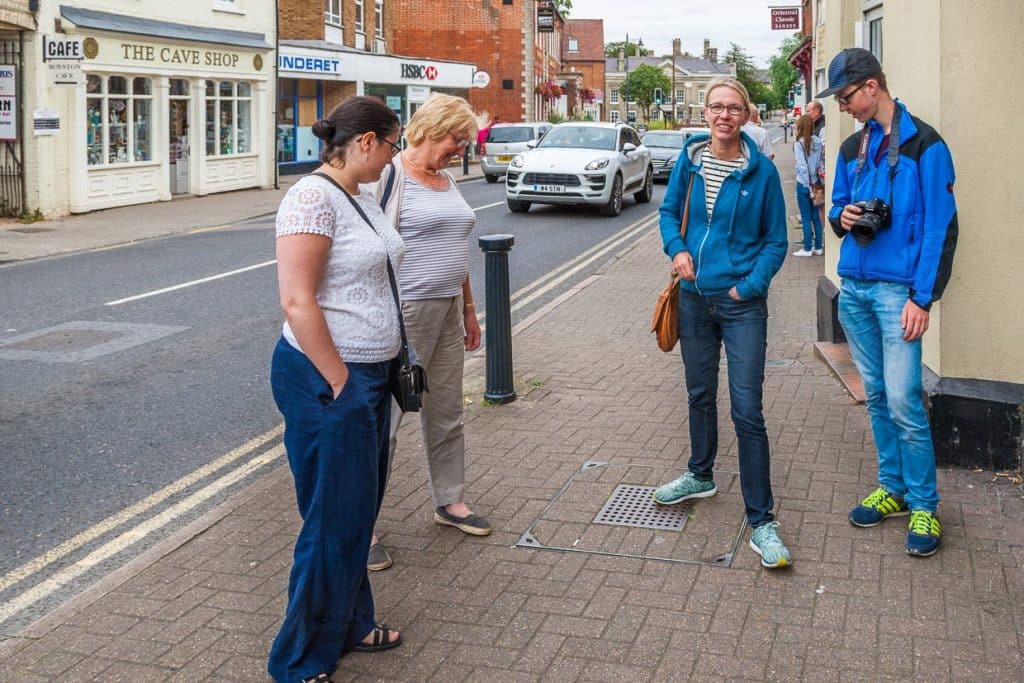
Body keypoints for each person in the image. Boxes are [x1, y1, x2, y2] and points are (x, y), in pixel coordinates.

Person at [267, 96, 406, 683]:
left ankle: (352, 622)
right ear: (367, 142)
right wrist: (343, 382)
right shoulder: (310, 197)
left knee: (355, 513)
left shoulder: (360, 195)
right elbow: (298, 300)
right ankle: (297, 660)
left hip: (367, 378)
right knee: (331, 519)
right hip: (328, 379)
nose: (395, 154)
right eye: (393, 143)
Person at [818, 48, 958, 557]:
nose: (844, 106)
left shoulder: (925, 144)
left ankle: (924, 503)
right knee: (876, 395)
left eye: (847, 96)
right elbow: (835, 208)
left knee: (903, 400)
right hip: (853, 288)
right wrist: (843, 215)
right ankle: (893, 489)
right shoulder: (853, 145)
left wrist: (923, 298)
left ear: (872, 86)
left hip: (900, 294)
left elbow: (942, 227)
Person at [654, 77, 792, 569]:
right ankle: (700, 474)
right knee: (698, 394)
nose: (723, 115)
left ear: (747, 115)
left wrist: (748, 287)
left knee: (748, 409)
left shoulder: (761, 173)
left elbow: (777, 241)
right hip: (692, 299)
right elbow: (669, 215)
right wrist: (678, 250)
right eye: (716, 107)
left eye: (733, 108)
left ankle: (762, 521)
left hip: (741, 305)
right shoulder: (690, 164)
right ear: (706, 114)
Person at [364, 94, 489, 572]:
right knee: (386, 422)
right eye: (457, 140)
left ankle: (450, 501)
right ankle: (364, 524)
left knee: (446, 411)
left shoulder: (448, 178)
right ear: (431, 130)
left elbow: (457, 248)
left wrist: (470, 311)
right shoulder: (389, 177)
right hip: (404, 312)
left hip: (449, 307)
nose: (461, 149)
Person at [792, 114, 825, 257]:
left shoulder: (799, 143)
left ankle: (807, 248)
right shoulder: (818, 141)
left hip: (804, 185)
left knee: (805, 217)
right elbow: (820, 163)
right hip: (817, 183)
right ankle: (818, 247)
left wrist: (807, 185)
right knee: (816, 217)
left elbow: (802, 166)